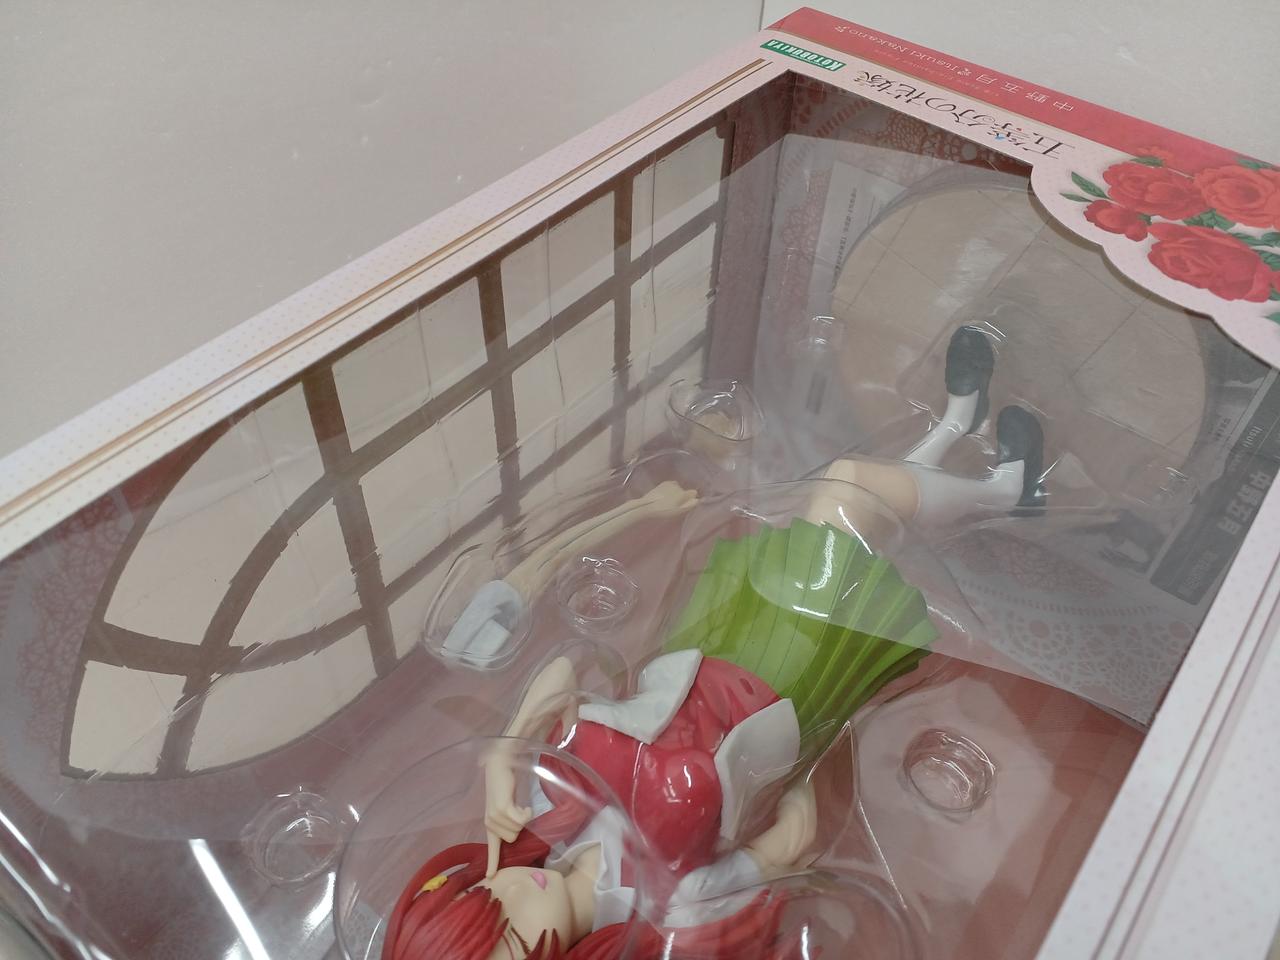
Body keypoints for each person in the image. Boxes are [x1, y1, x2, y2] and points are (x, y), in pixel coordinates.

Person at [383, 326, 1045, 960]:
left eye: (484, 898)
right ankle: (1002, 489)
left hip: (701, 644)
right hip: (778, 683)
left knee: (854, 505)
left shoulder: (543, 813)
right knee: (844, 490)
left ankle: (958, 430)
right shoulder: (671, 908)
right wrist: (807, 752)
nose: (510, 894)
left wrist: (505, 750)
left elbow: (562, 672)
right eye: (512, 940)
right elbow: (793, 840)